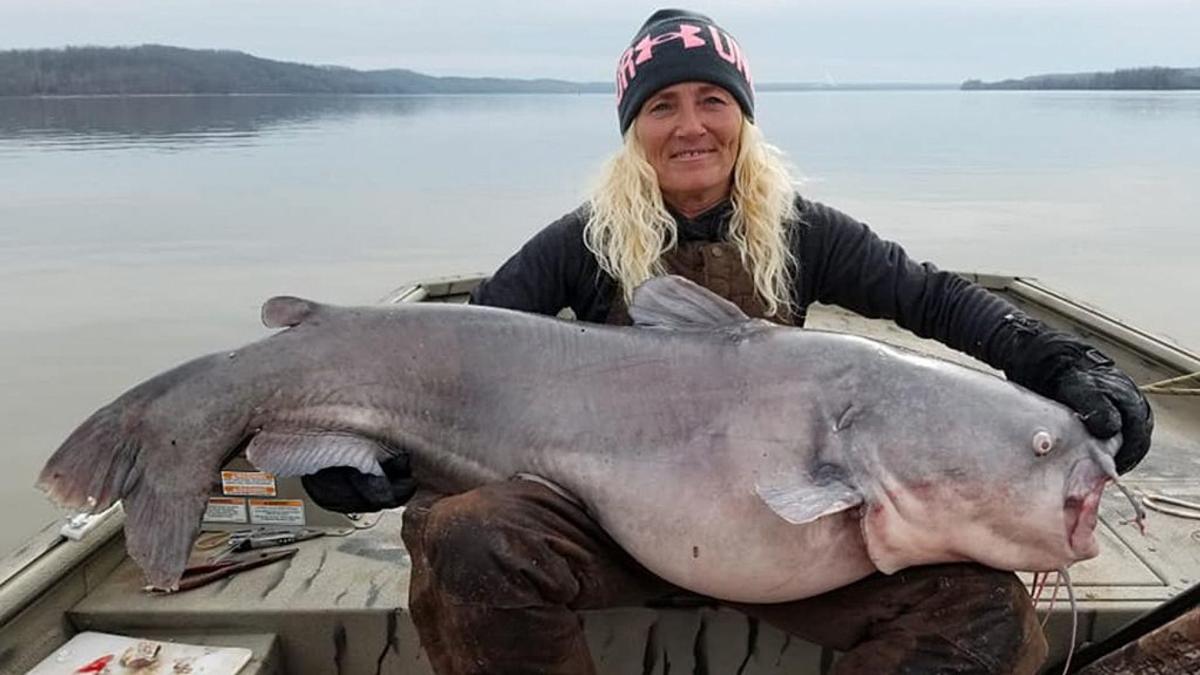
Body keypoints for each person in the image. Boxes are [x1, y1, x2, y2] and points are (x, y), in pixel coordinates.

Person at [304, 9, 1153, 674]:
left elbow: (931, 297)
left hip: (792, 539)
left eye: (713, 99)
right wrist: (379, 449)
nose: (691, 125)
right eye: (662, 105)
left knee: (987, 614)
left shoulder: (801, 230)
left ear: (743, 116)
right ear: (632, 126)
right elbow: (463, 356)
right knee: (468, 536)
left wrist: (1065, 363)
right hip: (610, 523)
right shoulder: (583, 240)